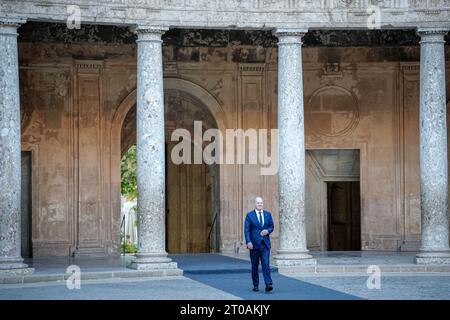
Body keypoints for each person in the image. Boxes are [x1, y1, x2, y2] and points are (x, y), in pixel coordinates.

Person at [244, 196, 274, 292]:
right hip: (254, 245)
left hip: (265, 244)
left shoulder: (267, 214)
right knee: (255, 266)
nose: (260, 204)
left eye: (261, 203)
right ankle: (255, 285)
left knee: (266, 264)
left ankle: (268, 284)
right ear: (255, 204)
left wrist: (267, 231)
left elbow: (271, 226)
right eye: (258, 203)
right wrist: (248, 242)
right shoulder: (249, 215)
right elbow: (247, 230)